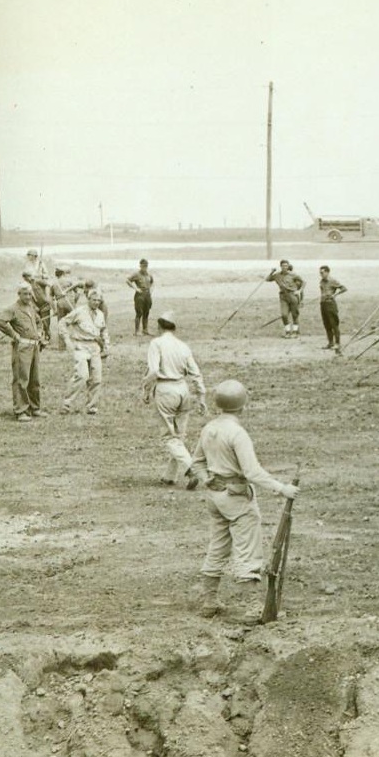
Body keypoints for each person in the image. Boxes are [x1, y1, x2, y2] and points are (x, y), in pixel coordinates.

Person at [187, 380, 300, 621]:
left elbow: (196, 461)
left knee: (217, 546)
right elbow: (252, 473)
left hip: (215, 497)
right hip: (237, 498)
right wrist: (282, 489)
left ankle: (209, 601)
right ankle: (251, 607)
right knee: (248, 549)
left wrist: (206, 479)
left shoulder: (209, 428)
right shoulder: (237, 433)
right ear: (242, 406)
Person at [142, 311, 207, 486]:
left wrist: (146, 388)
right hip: (183, 388)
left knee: (169, 437)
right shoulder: (183, 346)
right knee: (179, 436)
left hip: (165, 389)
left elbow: (154, 371)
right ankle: (170, 475)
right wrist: (201, 397)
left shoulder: (156, 343)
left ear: (159, 327)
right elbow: (196, 373)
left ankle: (190, 468)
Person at [0, 284, 46, 421]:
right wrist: (15, 335)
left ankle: (35, 408)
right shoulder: (13, 309)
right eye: (25, 294)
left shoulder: (31, 307)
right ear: (19, 294)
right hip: (22, 348)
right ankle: (21, 410)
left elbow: (38, 321)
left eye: (30, 294)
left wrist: (40, 333)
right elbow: (0, 322)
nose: (28, 297)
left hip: (34, 347)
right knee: (21, 379)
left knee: (35, 379)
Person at [58, 288, 109, 415]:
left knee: (96, 378)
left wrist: (106, 346)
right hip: (80, 346)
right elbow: (62, 322)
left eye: (99, 300)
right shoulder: (79, 312)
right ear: (88, 299)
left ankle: (91, 406)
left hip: (95, 347)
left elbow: (104, 331)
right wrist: (67, 340)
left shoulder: (100, 314)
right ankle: (67, 404)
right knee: (81, 375)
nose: (96, 302)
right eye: (94, 300)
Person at [267, 260, 305, 338]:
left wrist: (299, 291)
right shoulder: (277, 275)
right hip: (283, 296)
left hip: (292, 295)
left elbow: (303, 282)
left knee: (295, 315)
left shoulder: (293, 275)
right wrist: (271, 272)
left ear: (288, 266)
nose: (285, 267)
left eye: (286, 266)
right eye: (283, 266)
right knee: (284, 315)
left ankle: (295, 332)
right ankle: (287, 332)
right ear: (280, 266)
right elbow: (267, 279)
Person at [318, 265, 347, 353]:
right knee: (327, 325)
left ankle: (337, 343)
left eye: (322, 273)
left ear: (327, 272)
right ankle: (330, 343)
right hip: (323, 304)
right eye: (320, 273)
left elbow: (344, 288)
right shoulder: (321, 281)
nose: (321, 274)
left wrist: (334, 295)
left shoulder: (332, 280)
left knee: (334, 324)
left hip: (331, 304)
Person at [127, 259, 155, 336]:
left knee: (146, 312)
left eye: (146, 266)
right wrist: (136, 288)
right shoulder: (136, 274)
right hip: (140, 295)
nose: (144, 267)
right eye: (143, 266)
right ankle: (137, 331)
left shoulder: (149, 274)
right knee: (139, 313)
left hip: (148, 295)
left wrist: (151, 290)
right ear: (140, 266)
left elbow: (152, 282)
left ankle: (145, 330)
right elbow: (128, 280)